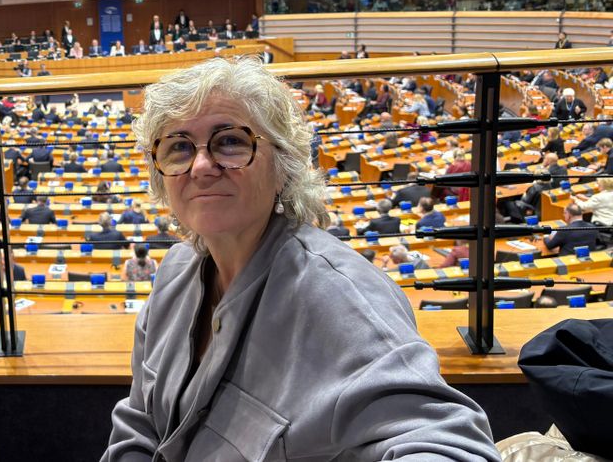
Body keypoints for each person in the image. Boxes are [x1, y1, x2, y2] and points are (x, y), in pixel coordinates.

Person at [103, 57, 498, 461]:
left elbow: (450, 445)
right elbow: (140, 423)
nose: (202, 166)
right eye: (179, 147)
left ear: (283, 165)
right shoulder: (172, 274)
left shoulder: (339, 297)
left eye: (230, 142)